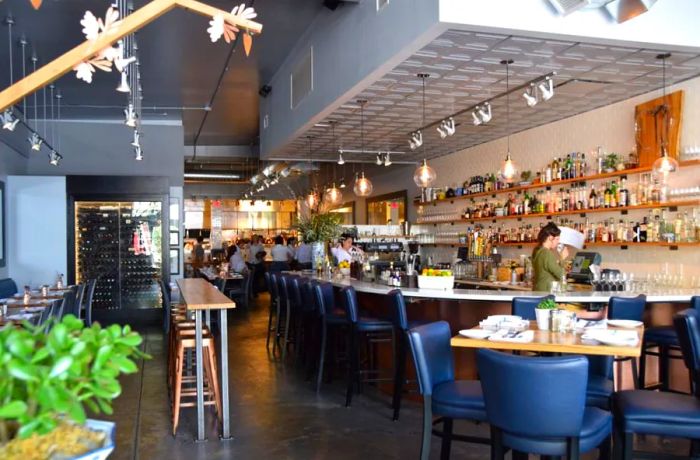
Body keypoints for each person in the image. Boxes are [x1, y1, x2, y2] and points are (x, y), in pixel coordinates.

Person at [532, 222, 569, 292]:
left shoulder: (537, 250)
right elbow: (561, 275)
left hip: (537, 290)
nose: (558, 242)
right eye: (557, 239)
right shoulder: (547, 253)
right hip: (546, 293)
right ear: (550, 238)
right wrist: (563, 258)